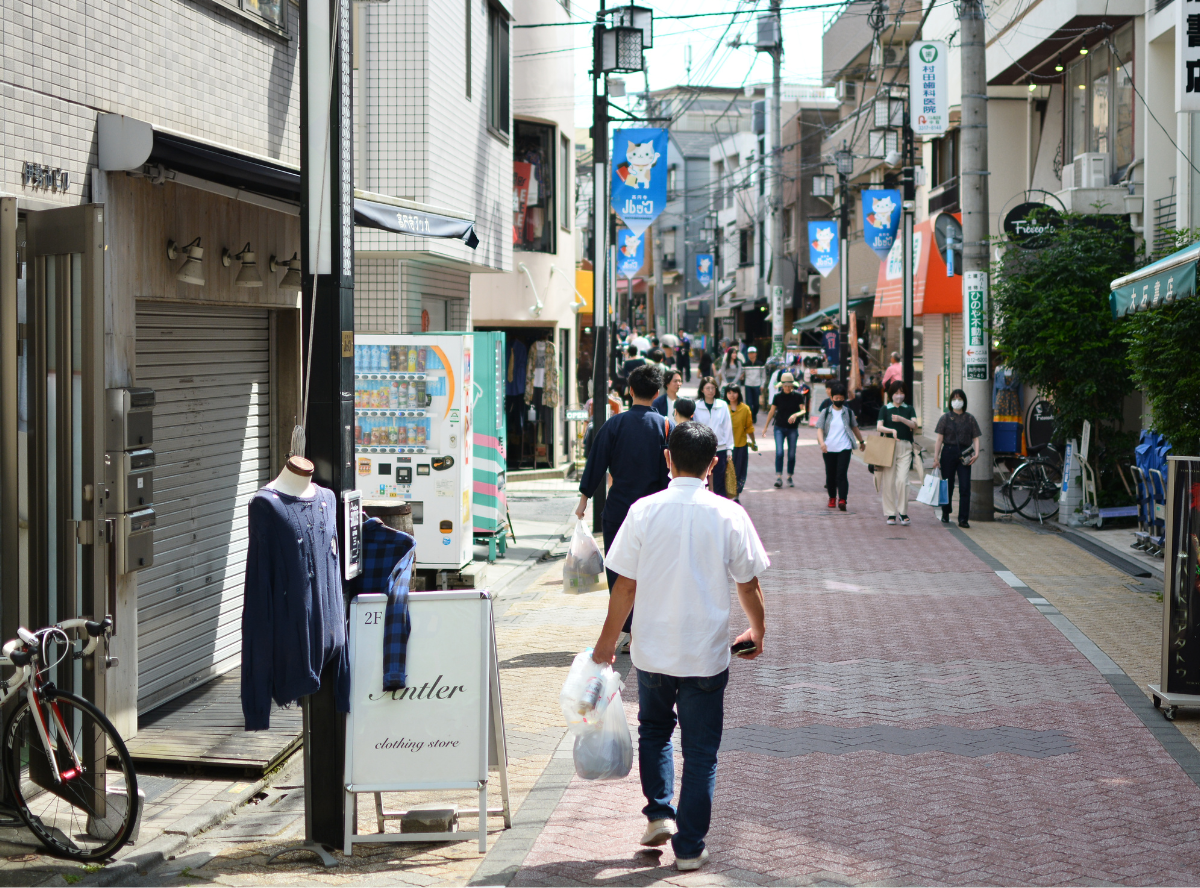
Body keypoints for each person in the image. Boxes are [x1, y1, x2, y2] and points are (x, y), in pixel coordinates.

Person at [591, 421, 769, 873]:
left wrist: (606, 645)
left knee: (653, 729)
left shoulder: (643, 511)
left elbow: (624, 588)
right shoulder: (729, 514)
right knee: (701, 752)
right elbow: (748, 584)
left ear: (667, 459)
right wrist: (757, 631)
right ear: (713, 463)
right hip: (706, 653)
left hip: (652, 650)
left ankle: (658, 813)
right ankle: (689, 847)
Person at [576, 365, 672, 640]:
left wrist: (584, 500)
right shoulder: (667, 426)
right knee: (652, 569)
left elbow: (595, 463)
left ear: (629, 391)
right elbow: (675, 472)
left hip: (618, 510)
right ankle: (644, 629)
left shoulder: (614, 424)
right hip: (655, 513)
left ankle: (627, 629)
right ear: (657, 393)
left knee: (619, 570)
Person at [935, 388, 982, 528]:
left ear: (964, 401)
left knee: (965, 486)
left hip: (965, 453)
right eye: (954, 399)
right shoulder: (945, 418)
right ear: (950, 401)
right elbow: (939, 439)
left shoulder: (970, 418)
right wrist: (936, 458)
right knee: (947, 485)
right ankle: (945, 512)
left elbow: (976, 437)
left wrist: (977, 453)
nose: (957, 401)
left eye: (960, 399)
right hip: (948, 452)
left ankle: (963, 519)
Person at [816, 381, 866, 511]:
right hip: (828, 448)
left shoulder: (848, 412)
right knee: (830, 475)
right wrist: (822, 443)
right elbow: (819, 429)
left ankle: (842, 499)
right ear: (831, 398)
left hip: (844, 447)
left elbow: (854, 428)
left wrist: (861, 441)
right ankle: (832, 497)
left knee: (841, 474)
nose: (838, 400)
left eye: (841, 398)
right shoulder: (825, 412)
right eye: (836, 398)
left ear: (844, 398)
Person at [876, 381, 918, 526]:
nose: (898, 396)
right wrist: (892, 430)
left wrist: (901, 419)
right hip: (888, 447)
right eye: (896, 393)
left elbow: (914, 425)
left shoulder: (909, 409)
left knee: (902, 480)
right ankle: (890, 513)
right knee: (888, 481)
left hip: (905, 446)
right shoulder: (885, 409)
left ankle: (903, 512)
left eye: (901, 393)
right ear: (890, 394)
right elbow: (879, 427)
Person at [760, 372, 805, 489]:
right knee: (779, 452)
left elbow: (803, 410)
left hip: (792, 428)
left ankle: (789, 477)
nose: (787, 387)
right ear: (781, 385)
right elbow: (771, 412)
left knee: (791, 454)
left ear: (793, 385)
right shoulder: (777, 397)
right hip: (779, 427)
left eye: (790, 385)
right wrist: (765, 427)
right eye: (785, 385)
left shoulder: (798, 396)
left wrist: (796, 415)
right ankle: (779, 477)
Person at [693, 377, 734, 498]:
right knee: (702, 480)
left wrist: (729, 448)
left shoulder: (723, 405)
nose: (710, 391)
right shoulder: (696, 406)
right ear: (702, 390)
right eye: (707, 388)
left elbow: (727, 427)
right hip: (703, 450)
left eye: (713, 388)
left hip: (720, 448)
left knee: (719, 480)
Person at [724, 384, 756, 502]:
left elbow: (749, 428)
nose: (732, 395)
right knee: (726, 472)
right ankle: (726, 496)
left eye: (734, 392)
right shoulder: (723, 408)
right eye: (729, 393)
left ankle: (736, 496)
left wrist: (753, 442)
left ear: (739, 394)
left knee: (739, 471)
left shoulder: (745, 409)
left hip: (740, 445)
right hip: (726, 446)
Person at [742, 346, 764, 424]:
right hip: (748, 385)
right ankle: (751, 417)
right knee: (749, 403)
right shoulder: (745, 365)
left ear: (756, 354)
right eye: (750, 353)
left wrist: (762, 385)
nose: (751, 355)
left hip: (757, 385)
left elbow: (763, 376)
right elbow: (742, 375)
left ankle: (754, 415)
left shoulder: (760, 364)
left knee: (756, 404)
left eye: (753, 353)